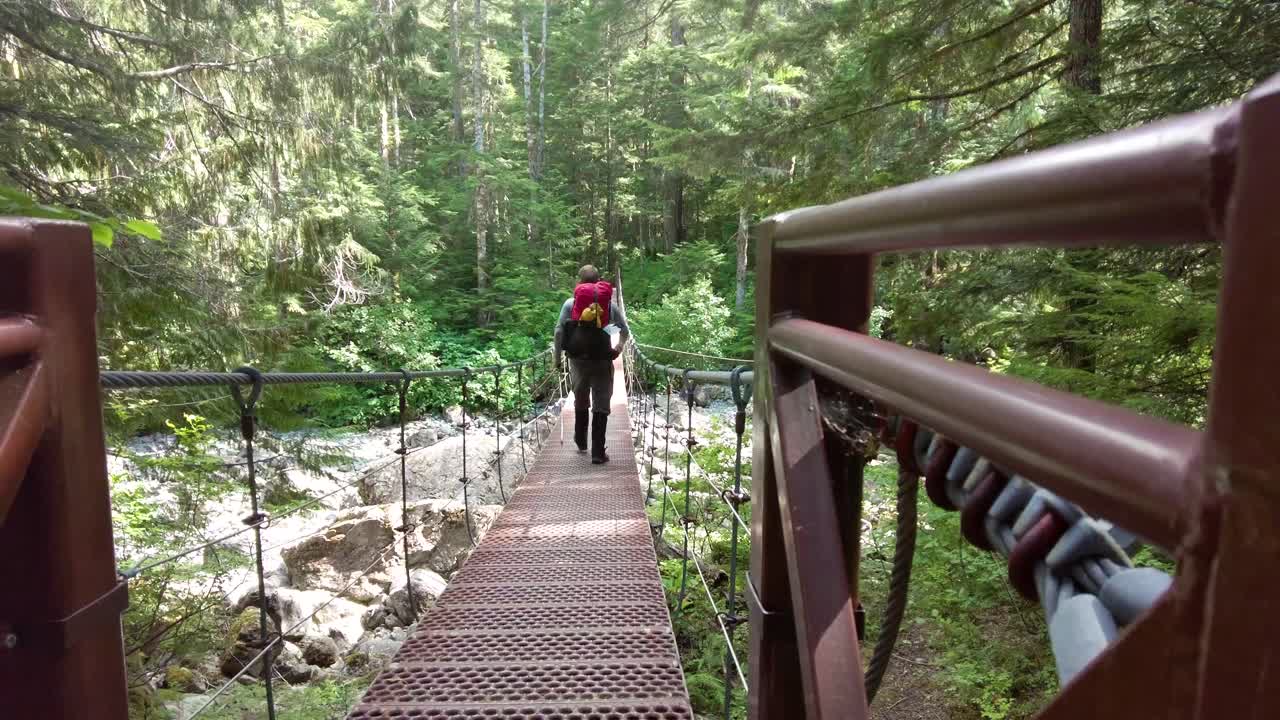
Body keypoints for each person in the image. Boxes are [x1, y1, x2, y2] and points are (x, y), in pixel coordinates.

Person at [554, 264, 630, 464]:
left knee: (580, 398)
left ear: (579, 282)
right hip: (602, 359)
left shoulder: (571, 304)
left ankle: (580, 441)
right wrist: (617, 348)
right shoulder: (607, 306)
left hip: (578, 360)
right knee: (601, 402)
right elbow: (623, 331)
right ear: (598, 281)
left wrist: (557, 359)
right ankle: (597, 452)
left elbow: (559, 332)